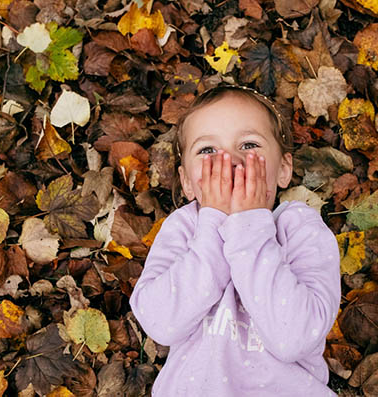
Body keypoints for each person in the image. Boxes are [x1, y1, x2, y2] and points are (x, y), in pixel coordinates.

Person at [129, 85, 341, 396]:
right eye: (207, 150)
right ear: (187, 182)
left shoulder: (299, 228)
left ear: (283, 170)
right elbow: (162, 323)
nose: (229, 160)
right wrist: (213, 225)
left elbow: (293, 338)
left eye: (249, 144)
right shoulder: (184, 228)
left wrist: (250, 229)